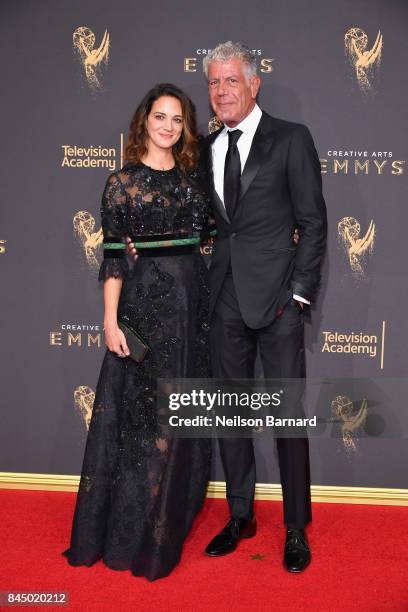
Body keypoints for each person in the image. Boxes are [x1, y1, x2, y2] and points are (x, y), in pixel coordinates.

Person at [63, 84, 212, 581]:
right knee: (140, 427)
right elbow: (112, 259)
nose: (168, 126)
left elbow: (218, 238)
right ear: (143, 121)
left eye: (177, 119)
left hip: (191, 313)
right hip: (144, 310)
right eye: (160, 117)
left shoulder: (195, 181)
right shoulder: (121, 183)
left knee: (177, 422)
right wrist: (109, 322)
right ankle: (128, 536)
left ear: (185, 127)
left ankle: (163, 528)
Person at [201, 42, 327, 572]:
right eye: (213, 82)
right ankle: (240, 515)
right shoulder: (206, 146)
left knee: (287, 415)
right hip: (224, 297)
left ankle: (296, 527)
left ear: (254, 84)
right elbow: (212, 226)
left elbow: (314, 223)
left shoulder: (292, 139)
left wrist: (298, 295)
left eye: (231, 81)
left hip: (278, 300)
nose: (221, 91)